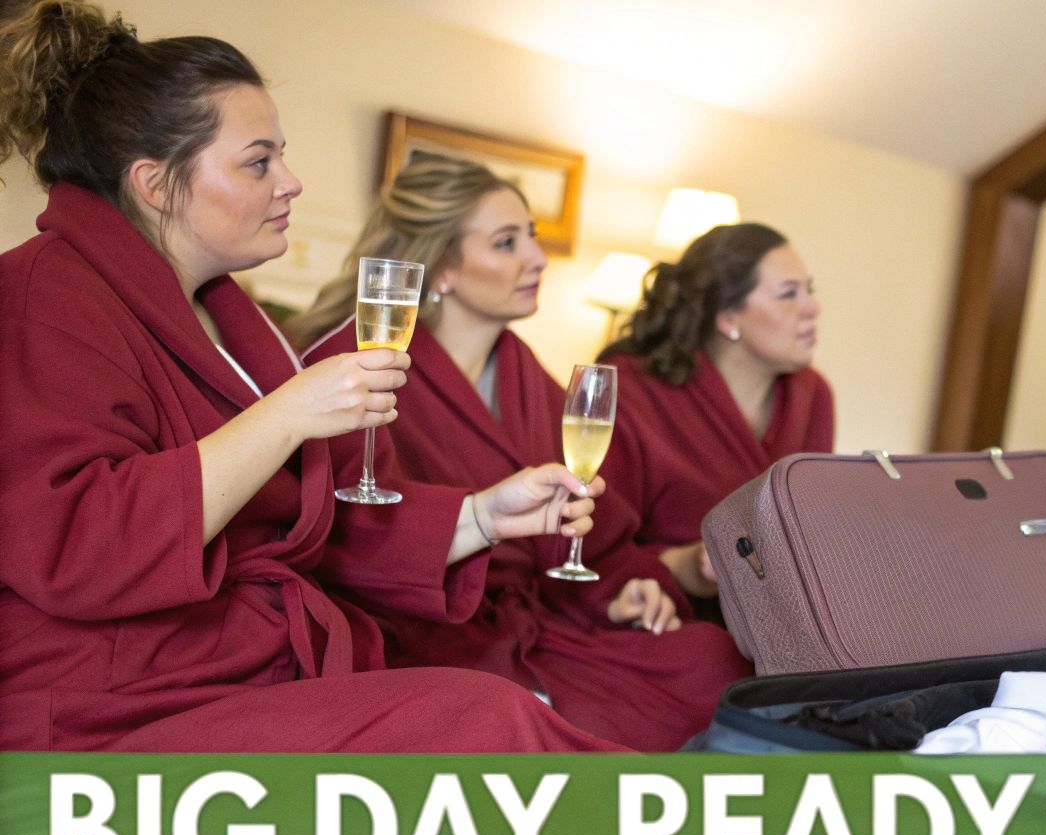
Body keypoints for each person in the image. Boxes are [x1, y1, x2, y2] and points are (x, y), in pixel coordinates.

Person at [0, 1, 623, 753]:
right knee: (488, 719)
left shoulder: (227, 316)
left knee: (506, 716)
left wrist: (487, 516)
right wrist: (285, 416)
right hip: (113, 701)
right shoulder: (45, 297)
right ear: (156, 183)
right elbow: (76, 541)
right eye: (259, 162)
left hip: (238, 672)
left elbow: (311, 527)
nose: (291, 182)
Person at [292, 155, 752, 750]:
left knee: (713, 659)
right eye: (506, 243)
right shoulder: (350, 366)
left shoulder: (529, 377)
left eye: (532, 237)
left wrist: (619, 593)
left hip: (543, 623)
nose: (537, 258)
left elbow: (595, 537)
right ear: (443, 265)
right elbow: (341, 535)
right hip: (429, 625)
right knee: (581, 721)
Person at [597, 222, 834, 609]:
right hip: (657, 609)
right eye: (788, 294)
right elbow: (596, 551)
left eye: (809, 290)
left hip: (777, 615)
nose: (812, 307)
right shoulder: (634, 391)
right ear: (728, 318)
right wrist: (689, 565)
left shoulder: (813, 396)